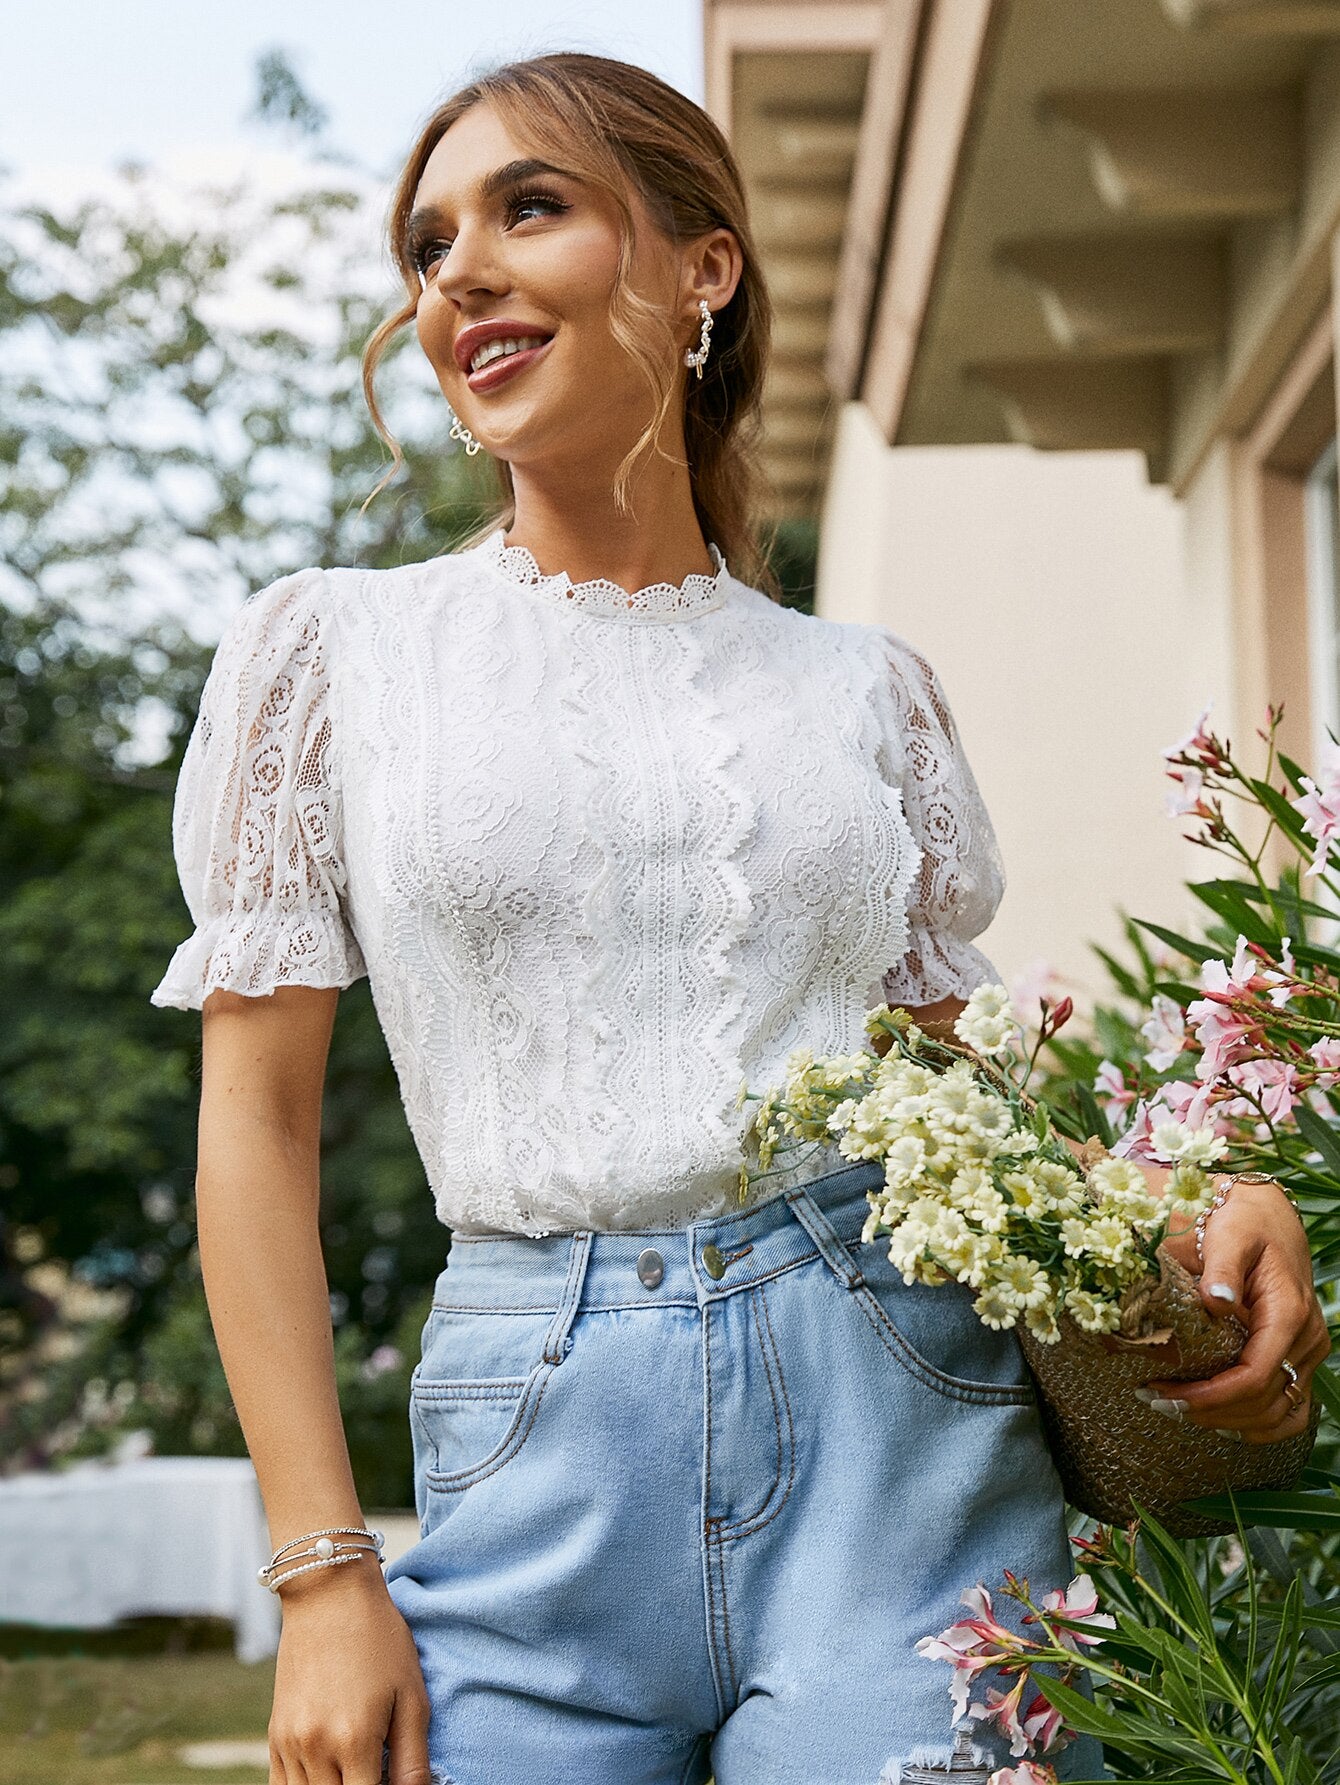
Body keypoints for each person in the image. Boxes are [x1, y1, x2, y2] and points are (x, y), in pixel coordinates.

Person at [150, 51, 1328, 1785]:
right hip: (532, 1442)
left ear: (703, 267)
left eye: (527, 207)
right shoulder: (330, 656)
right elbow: (253, 1127)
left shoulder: (867, 691)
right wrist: (324, 1573)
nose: (455, 271)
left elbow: (971, 1117)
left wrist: (1196, 1203)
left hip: (899, 1419)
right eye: (426, 242)